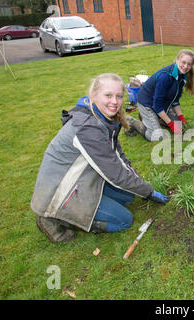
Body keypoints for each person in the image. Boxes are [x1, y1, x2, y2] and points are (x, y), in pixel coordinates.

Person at [31, 73, 170, 243]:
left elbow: (118, 157)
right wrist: (148, 191)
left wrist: (141, 184)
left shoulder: (104, 119)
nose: (115, 101)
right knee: (123, 220)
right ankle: (58, 218)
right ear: (94, 95)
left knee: (128, 196)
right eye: (108, 95)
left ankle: (88, 207)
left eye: (119, 96)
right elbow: (116, 175)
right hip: (60, 192)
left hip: (82, 180)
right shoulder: (88, 128)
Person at [125, 49, 194, 141]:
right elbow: (157, 106)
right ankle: (132, 122)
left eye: (189, 64)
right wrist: (170, 124)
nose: (186, 66)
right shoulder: (165, 77)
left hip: (161, 103)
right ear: (177, 60)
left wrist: (181, 117)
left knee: (180, 127)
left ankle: (152, 118)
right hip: (147, 103)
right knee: (157, 136)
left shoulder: (183, 76)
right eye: (183, 62)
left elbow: (175, 100)